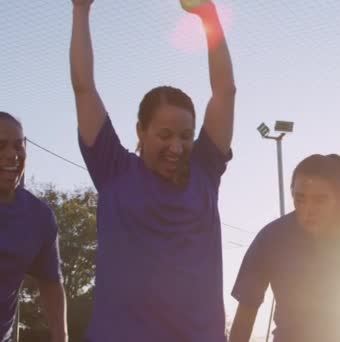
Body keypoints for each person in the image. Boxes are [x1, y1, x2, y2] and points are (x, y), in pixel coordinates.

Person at [69, 0, 235, 341]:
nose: (177, 146)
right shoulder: (113, 168)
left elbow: (224, 92)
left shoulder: (204, 170)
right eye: (165, 135)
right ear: (140, 132)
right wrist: (81, 10)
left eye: (186, 136)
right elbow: (84, 87)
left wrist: (209, 15)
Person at [229, 154, 340, 342]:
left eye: (320, 200)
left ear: (338, 198)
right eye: (300, 199)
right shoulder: (271, 238)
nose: (308, 209)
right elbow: (247, 309)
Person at [0, 112, 67, 342]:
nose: (12, 155)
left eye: (18, 146)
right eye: (1, 145)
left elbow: (50, 282)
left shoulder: (39, 217)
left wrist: (62, 337)